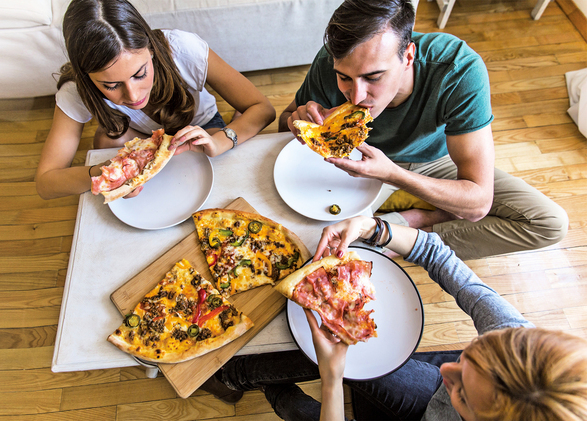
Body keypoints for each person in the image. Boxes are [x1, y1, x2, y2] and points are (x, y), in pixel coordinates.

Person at [208, 215, 587, 420]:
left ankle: (254, 384)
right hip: (434, 408)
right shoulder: (516, 341)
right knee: (338, 352)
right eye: (469, 356)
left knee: (300, 407)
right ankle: (239, 375)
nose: (444, 370)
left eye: (466, 397)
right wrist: (373, 227)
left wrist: (331, 383)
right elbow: (437, 255)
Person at [279, 0, 567, 260]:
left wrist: (392, 174)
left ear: (408, 56)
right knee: (314, 248)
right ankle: (406, 227)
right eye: (344, 78)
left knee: (549, 223)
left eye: (374, 77)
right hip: (355, 163)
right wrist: (299, 121)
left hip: (434, 161)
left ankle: (409, 226)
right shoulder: (328, 61)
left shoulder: (458, 70)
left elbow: (479, 203)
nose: (356, 96)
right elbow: (283, 123)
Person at [35, 0, 276, 200]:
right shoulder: (75, 90)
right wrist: (106, 173)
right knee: (107, 140)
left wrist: (220, 142)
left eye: (140, 74)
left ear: (150, 49)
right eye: (111, 85)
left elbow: (263, 108)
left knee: (218, 181)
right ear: (86, 77)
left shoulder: (182, 49)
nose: (134, 95)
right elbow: (46, 183)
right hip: (135, 134)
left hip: (199, 126)